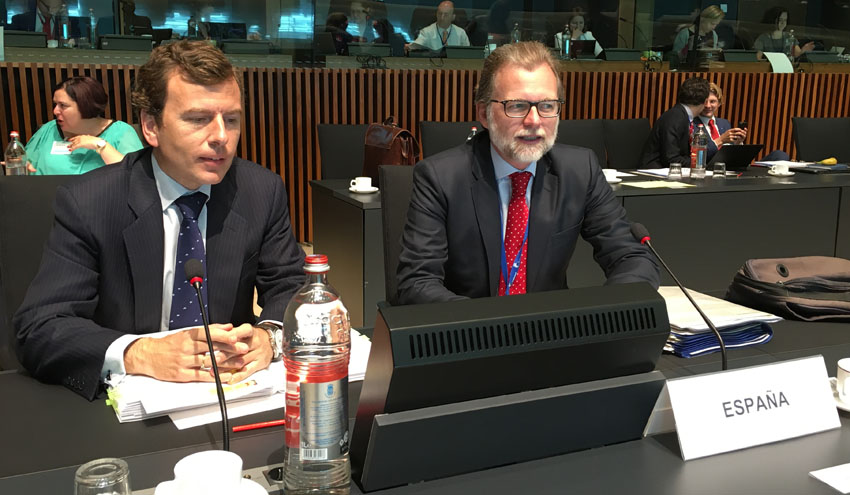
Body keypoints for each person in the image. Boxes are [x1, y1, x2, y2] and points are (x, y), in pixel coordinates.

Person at [14, 40, 306, 400]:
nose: (221, 137)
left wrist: (269, 336)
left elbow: (291, 285)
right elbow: (40, 327)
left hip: (231, 393)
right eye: (198, 119)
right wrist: (140, 353)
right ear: (151, 126)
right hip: (129, 404)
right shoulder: (90, 201)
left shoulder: (260, 191)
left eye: (231, 119)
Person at [395, 41, 659, 305]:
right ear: (484, 114)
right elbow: (417, 282)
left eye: (547, 106)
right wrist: (486, 323)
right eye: (517, 106)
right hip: (468, 326)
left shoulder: (580, 170)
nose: (534, 120)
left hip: (550, 327)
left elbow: (632, 257)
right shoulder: (440, 178)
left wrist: (606, 314)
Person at [23, 76, 143, 175]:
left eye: (63, 105)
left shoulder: (121, 132)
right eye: (55, 104)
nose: (55, 111)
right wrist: (23, 167)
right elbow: (26, 165)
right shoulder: (49, 130)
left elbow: (136, 175)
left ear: (85, 106)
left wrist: (99, 145)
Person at [640, 77, 710, 169]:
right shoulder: (675, 118)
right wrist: (698, 164)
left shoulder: (681, 115)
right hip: (655, 171)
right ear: (705, 102)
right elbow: (671, 158)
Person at [697, 82, 747, 162]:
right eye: (704, 101)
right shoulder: (691, 124)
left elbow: (730, 155)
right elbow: (697, 156)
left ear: (719, 103)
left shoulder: (724, 123)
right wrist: (721, 140)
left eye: (712, 101)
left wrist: (738, 142)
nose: (708, 106)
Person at [10, 0, 81, 40]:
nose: (53, 11)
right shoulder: (19, 21)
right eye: (49, 8)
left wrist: (64, 21)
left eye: (58, 6)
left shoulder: (71, 23)